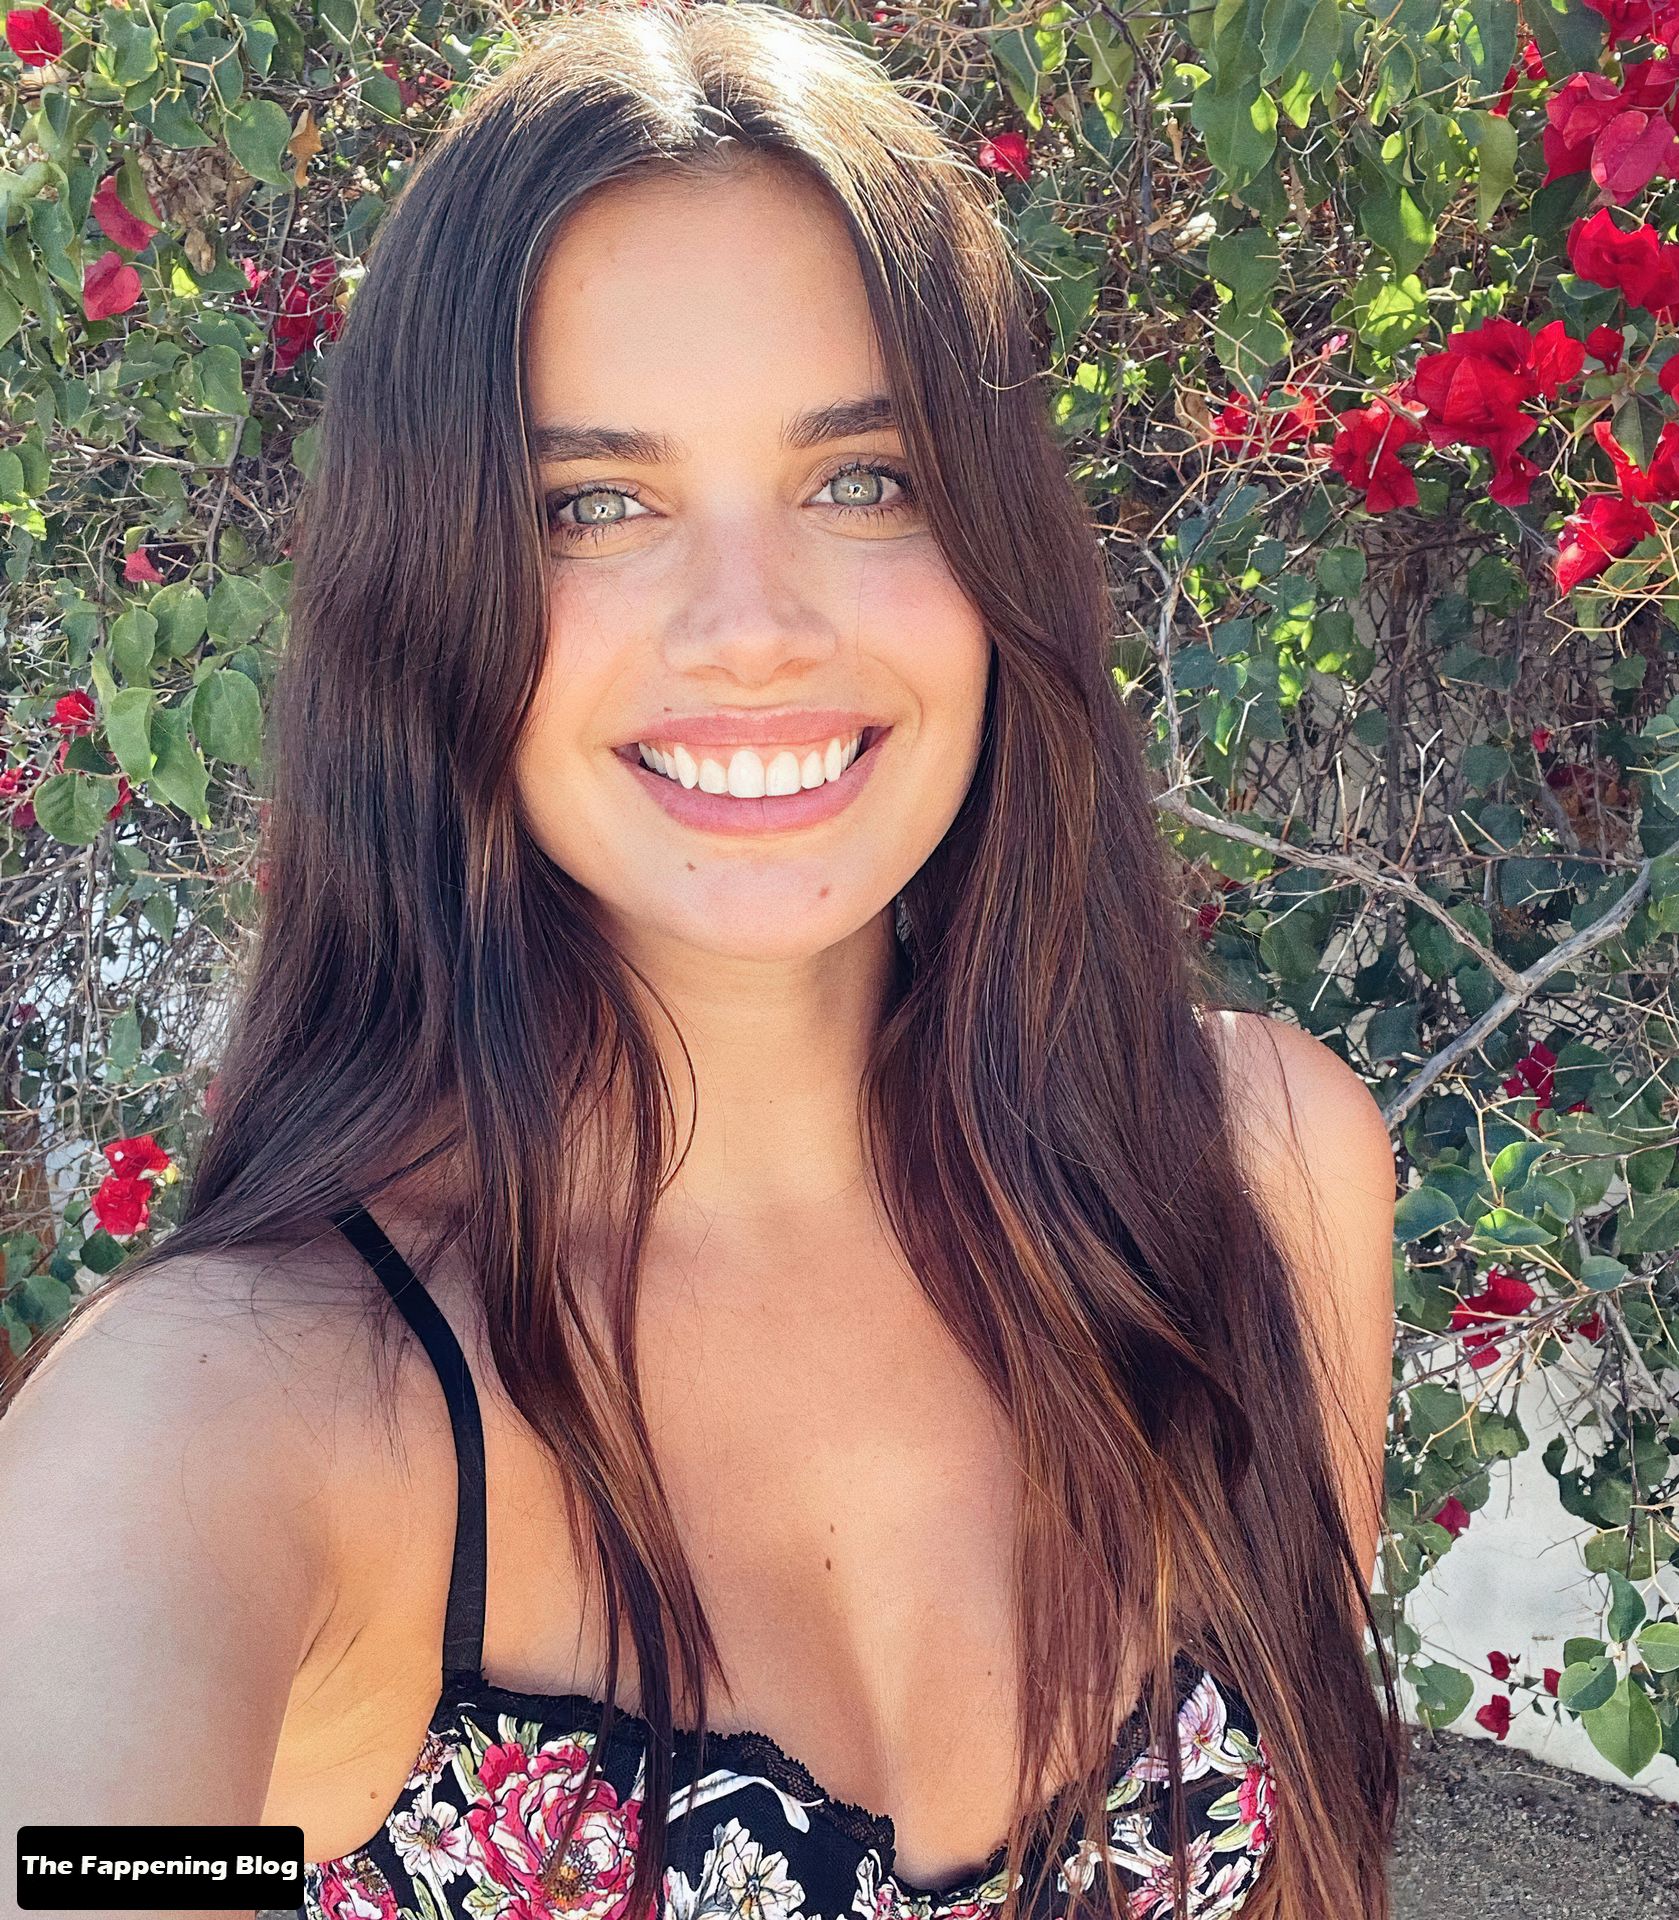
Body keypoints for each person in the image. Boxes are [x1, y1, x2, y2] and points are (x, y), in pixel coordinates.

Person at [0, 4, 1405, 1918]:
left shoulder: (1258, 1183)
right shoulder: (243, 1420)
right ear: (434, 597)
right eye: (596, 506)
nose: (751, 629)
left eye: (862, 478)